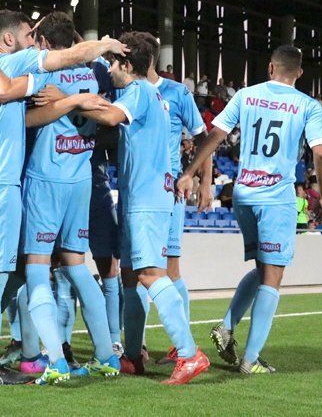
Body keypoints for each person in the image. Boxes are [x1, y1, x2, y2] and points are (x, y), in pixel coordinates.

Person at [0, 9, 126, 385]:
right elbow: (73, 69)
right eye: (26, 35)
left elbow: (26, 116)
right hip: (41, 183)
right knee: (11, 277)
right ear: (9, 40)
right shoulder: (17, 64)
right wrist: (102, 49)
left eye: (37, 36)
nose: (32, 41)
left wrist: (65, 100)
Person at [178, 44, 322, 376]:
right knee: (273, 277)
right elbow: (320, 154)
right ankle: (250, 358)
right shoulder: (308, 105)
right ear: (299, 73)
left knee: (263, 270)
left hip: (243, 194)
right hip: (275, 197)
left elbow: (216, 134)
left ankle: (227, 327)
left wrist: (190, 173)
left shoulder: (247, 94)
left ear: (271, 68)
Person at [76, 32, 208, 384]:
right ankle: (132, 357)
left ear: (126, 64)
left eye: (114, 62)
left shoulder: (138, 92)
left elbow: (108, 116)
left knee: (151, 275)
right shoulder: (151, 94)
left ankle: (190, 354)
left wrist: (65, 99)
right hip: (143, 196)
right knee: (131, 277)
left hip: (148, 199)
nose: (110, 70)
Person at [7, 11, 120, 382]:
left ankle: (53, 361)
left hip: (46, 178)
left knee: (37, 268)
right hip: (81, 178)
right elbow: (106, 115)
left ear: (42, 42)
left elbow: (25, 121)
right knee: (77, 266)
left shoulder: (42, 73)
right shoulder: (91, 75)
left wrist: (62, 100)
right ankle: (107, 355)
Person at [141, 37, 213, 365]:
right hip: (136, 190)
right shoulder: (127, 89)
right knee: (134, 268)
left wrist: (202, 179)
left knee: (168, 268)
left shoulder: (177, 92)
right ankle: (134, 347)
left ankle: (181, 346)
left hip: (168, 192)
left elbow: (205, 138)